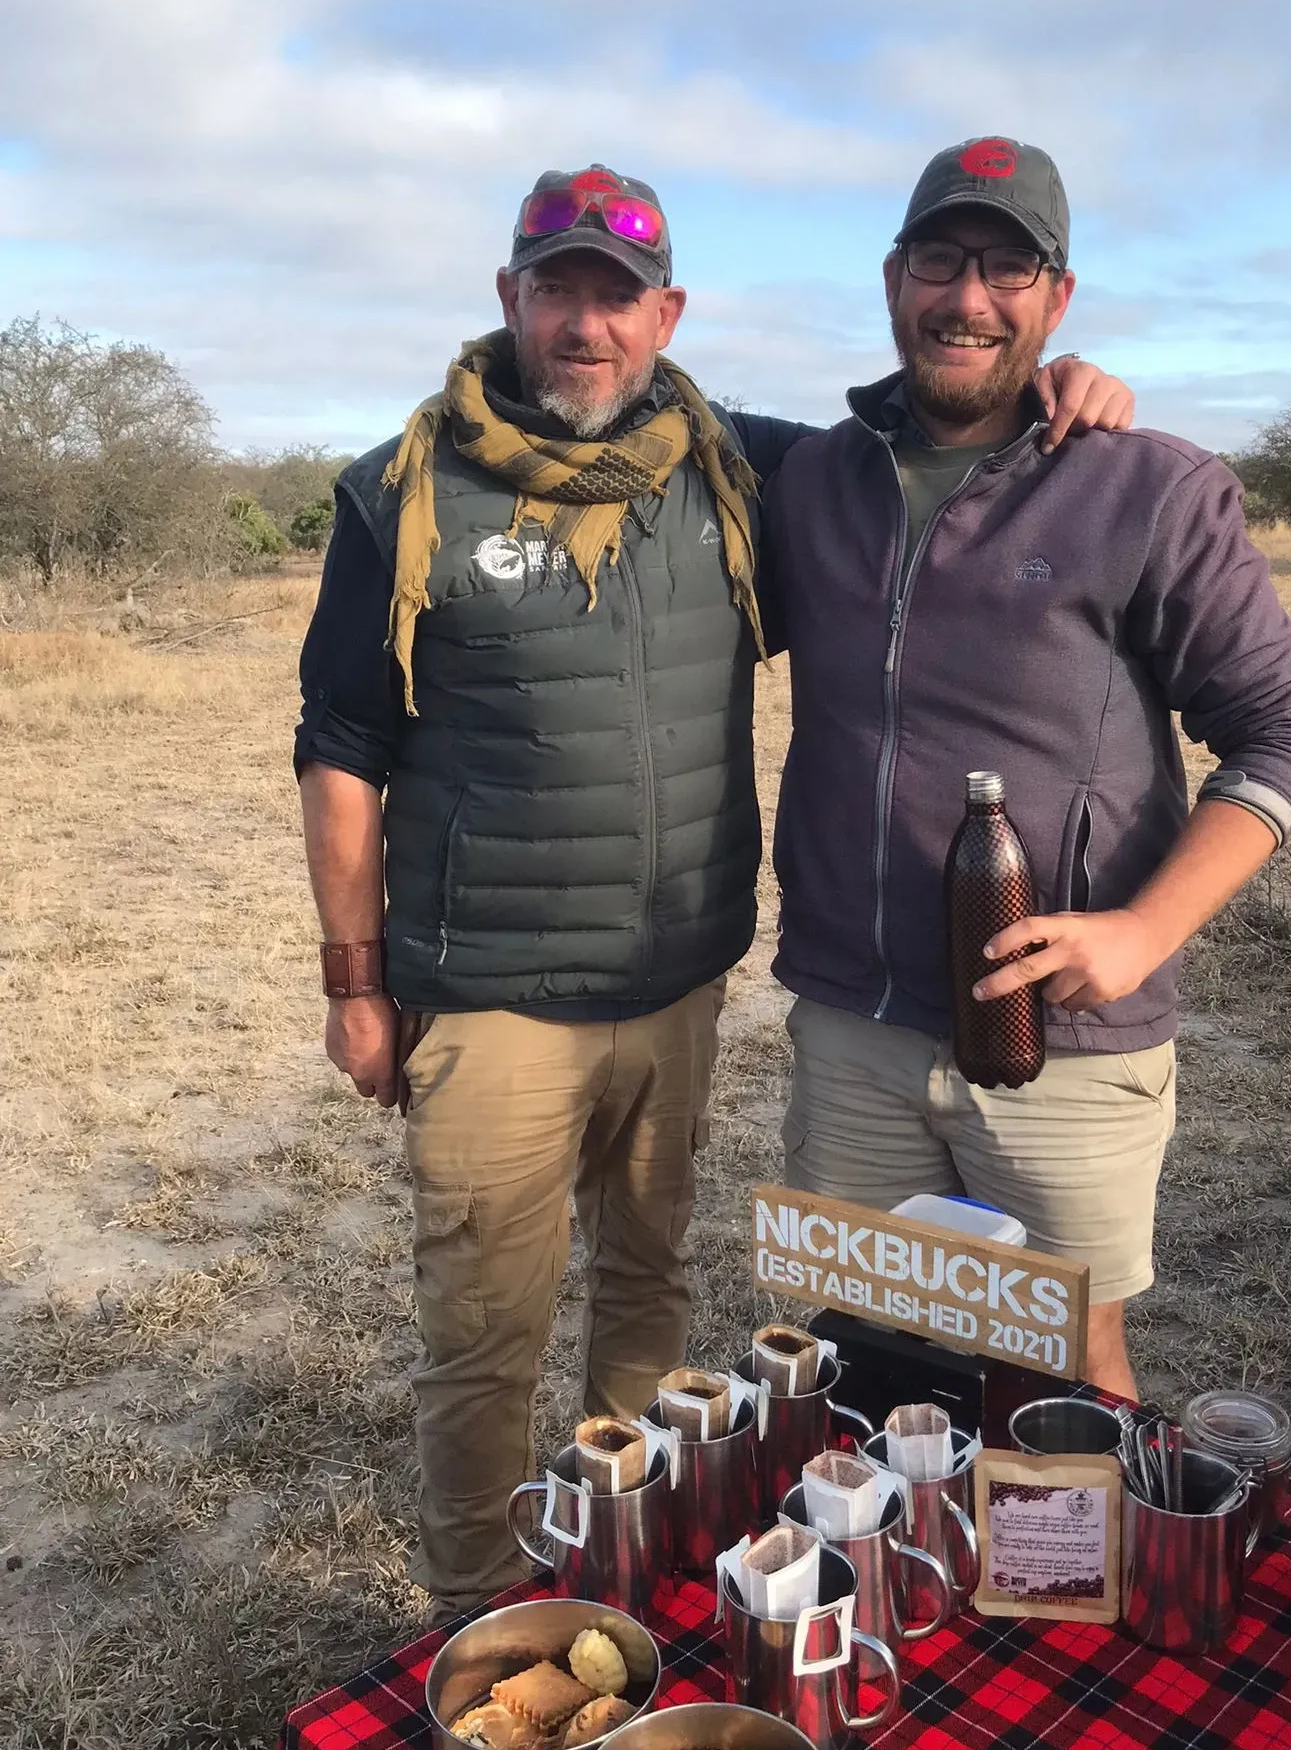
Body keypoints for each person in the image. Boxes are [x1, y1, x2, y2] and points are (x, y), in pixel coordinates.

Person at [294, 160, 1133, 1610]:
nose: (586, 326)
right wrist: (356, 986)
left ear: (666, 313)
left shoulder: (737, 469)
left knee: (649, 1299)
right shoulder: (403, 492)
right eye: (557, 288)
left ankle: (633, 1576)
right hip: (489, 1002)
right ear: (510, 298)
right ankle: (488, 1623)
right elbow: (342, 754)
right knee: (486, 1337)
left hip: (683, 990)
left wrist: (1071, 391)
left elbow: (916, 464)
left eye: (617, 297)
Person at [763, 136, 1291, 1400]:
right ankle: (896, 1592)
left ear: (1057, 297)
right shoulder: (811, 479)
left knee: (1066, 1365)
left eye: (1008, 265)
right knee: (869, 1353)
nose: (969, 296)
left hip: (1065, 1037)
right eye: (940, 259)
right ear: (893, 276)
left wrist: (1139, 929)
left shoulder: (1147, 488)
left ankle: (1063, 1603)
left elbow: (1285, 731)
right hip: (855, 1023)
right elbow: (637, 424)